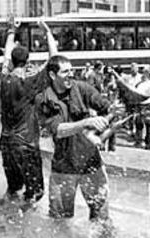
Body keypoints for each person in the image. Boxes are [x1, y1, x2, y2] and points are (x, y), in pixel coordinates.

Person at [0, 19, 57, 207]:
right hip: (25, 144)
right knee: (36, 192)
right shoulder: (29, 83)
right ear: (26, 62)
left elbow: (5, 60)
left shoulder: (3, 79)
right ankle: (23, 229)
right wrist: (48, 33)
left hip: (6, 143)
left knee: (13, 188)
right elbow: (54, 60)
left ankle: (3, 218)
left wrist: (11, 31)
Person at [40, 55, 112, 227]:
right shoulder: (45, 98)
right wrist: (86, 123)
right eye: (65, 72)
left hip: (91, 164)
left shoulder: (81, 88)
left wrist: (101, 132)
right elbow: (58, 130)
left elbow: (107, 107)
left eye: (71, 70)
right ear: (52, 75)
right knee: (59, 221)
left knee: (101, 217)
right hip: (63, 168)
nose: (70, 75)